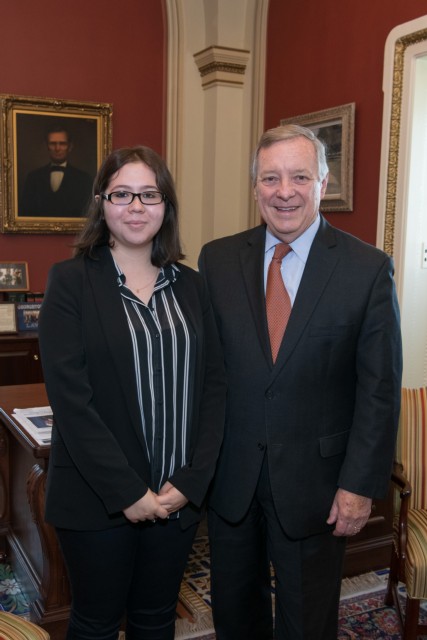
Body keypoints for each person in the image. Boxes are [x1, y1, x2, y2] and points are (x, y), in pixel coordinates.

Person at [198, 124, 403, 640]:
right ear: (255, 187)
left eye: (299, 176)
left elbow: (378, 390)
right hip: (232, 481)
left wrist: (359, 486)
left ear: (323, 181)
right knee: (234, 616)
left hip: (318, 486)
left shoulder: (367, 269)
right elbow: (208, 374)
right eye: (270, 178)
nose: (283, 191)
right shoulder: (217, 260)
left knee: (307, 621)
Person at [38, 145, 226, 640]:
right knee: (96, 624)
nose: (137, 207)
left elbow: (214, 389)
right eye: (122, 194)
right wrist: (128, 492)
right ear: (102, 202)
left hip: (176, 498)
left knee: (155, 619)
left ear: (167, 206)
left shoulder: (193, 286)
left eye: (150, 194)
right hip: (96, 499)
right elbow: (71, 403)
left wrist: (193, 480)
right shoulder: (70, 282)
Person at [20, 124, 93, 217]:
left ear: (70, 146)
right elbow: (25, 213)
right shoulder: (33, 178)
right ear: (47, 146)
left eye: (62, 144)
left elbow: (88, 214)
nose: (57, 148)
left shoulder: (84, 179)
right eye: (53, 143)